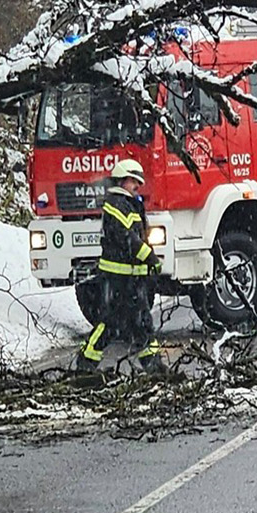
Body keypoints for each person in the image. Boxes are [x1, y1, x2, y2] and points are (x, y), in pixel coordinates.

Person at [77, 159, 166, 374]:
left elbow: (136, 237)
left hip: (131, 279)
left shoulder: (127, 203)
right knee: (109, 325)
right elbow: (128, 239)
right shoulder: (116, 204)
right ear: (124, 180)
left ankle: (154, 368)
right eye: (134, 181)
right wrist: (150, 258)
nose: (137, 186)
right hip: (118, 279)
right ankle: (85, 364)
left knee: (142, 324)